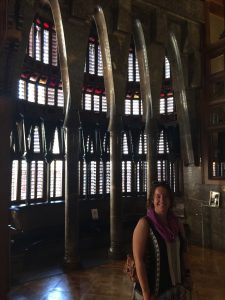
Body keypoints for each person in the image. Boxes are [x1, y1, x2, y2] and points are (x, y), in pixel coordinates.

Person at [132, 182, 191, 300]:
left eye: (166, 196)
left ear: (170, 200)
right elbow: (139, 261)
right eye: (158, 196)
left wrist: (188, 276)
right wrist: (146, 293)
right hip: (153, 293)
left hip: (176, 288)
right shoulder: (144, 224)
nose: (162, 200)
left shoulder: (177, 224)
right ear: (152, 200)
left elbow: (183, 252)